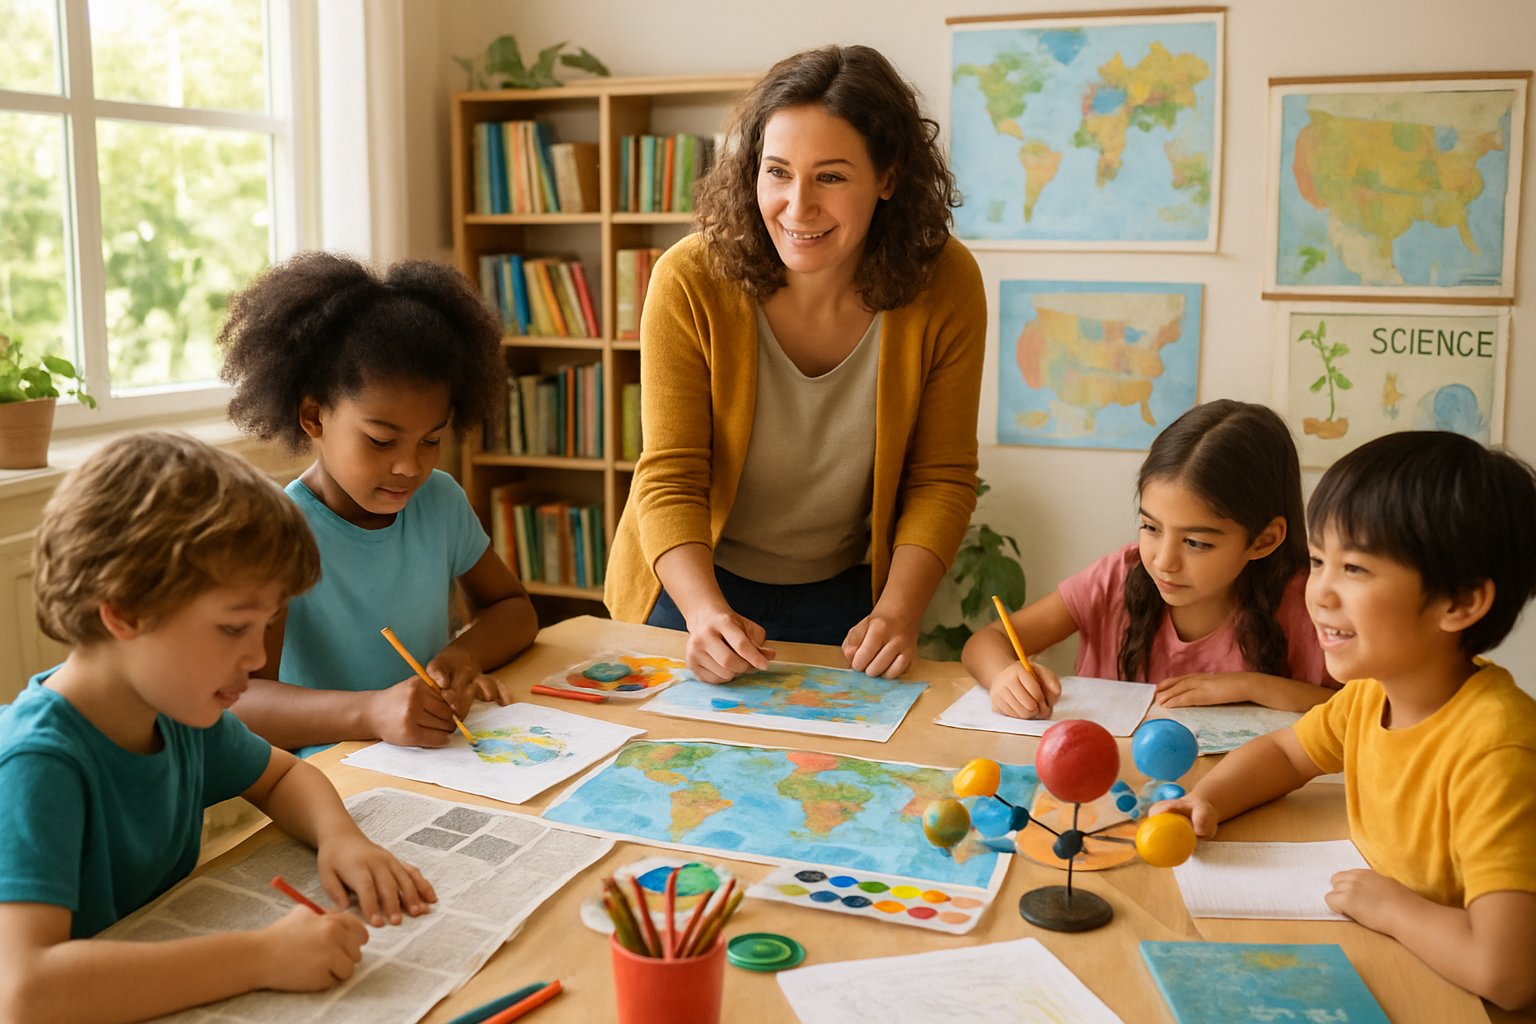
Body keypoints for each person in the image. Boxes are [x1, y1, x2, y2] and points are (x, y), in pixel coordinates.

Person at [0, 433, 436, 1021]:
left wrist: (341, 838)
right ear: (125, 610)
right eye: (234, 629)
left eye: (265, 626)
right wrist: (261, 958)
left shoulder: (175, 710)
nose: (257, 659)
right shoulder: (38, 765)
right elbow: (26, 993)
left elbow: (284, 776)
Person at [605, 44, 986, 684]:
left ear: (888, 178)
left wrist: (900, 610)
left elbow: (941, 476)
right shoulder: (688, 279)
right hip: (688, 589)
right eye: (777, 172)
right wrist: (703, 614)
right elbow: (669, 475)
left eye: (831, 176)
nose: (797, 206)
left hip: (844, 596)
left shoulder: (945, 283)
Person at [1153, 431, 1536, 1011]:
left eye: (1354, 568)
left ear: (1459, 603)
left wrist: (1392, 908)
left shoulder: (1495, 751)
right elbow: (1284, 754)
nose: (1319, 592)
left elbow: (1507, 973)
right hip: (1393, 956)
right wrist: (1207, 798)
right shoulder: (1369, 697)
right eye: (1317, 561)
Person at [218, 252, 537, 753]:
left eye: (430, 441)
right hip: (336, 776)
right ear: (314, 417)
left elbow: (513, 609)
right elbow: (241, 704)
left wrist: (464, 656)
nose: (410, 467)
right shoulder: (278, 536)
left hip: (438, 759)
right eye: (381, 442)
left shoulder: (440, 502)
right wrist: (371, 712)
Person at [964, 400, 1332, 718]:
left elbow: (1369, 707)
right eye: (1150, 528)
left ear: (1264, 540)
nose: (1163, 562)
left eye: (1196, 542)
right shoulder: (1117, 577)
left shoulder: (1310, 604)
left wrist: (1252, 687)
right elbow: (987, 640)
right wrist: (1003, 677)